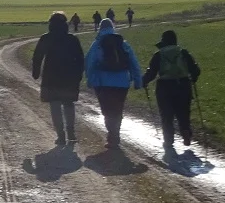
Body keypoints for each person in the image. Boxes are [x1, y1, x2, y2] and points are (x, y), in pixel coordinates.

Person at [84, 18, 142, 149]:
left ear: (100, 28)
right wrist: (138, 81)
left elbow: (90, 63)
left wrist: (89, 79)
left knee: (107, 110)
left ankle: (112, 136)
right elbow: (134, 63)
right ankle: (115, 135)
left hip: (103, 82)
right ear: (113, 27)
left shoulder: (97, 44)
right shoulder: (123, 43)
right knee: (118, 109)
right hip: (122, 82)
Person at [142, 30, 201, 156]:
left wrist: (143, 81)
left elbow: (151, 73)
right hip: (184, 86)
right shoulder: (183, 53)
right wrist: (193, 78)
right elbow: (195, 70)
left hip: (164, 87)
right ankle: (185, 132)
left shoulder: (158, 55)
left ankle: (168, 140)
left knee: (166, 115)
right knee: (184, 112)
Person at [31, 12, 85, 146]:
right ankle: (71, 132)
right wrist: (78, 75)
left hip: (51, 78)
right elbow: (80, 59)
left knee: (54, 105)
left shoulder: (46, 38)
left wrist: (36, 73)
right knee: (68, 104)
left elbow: (37, 57)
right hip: (69, 77)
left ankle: (61, 135)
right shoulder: (72, 39)